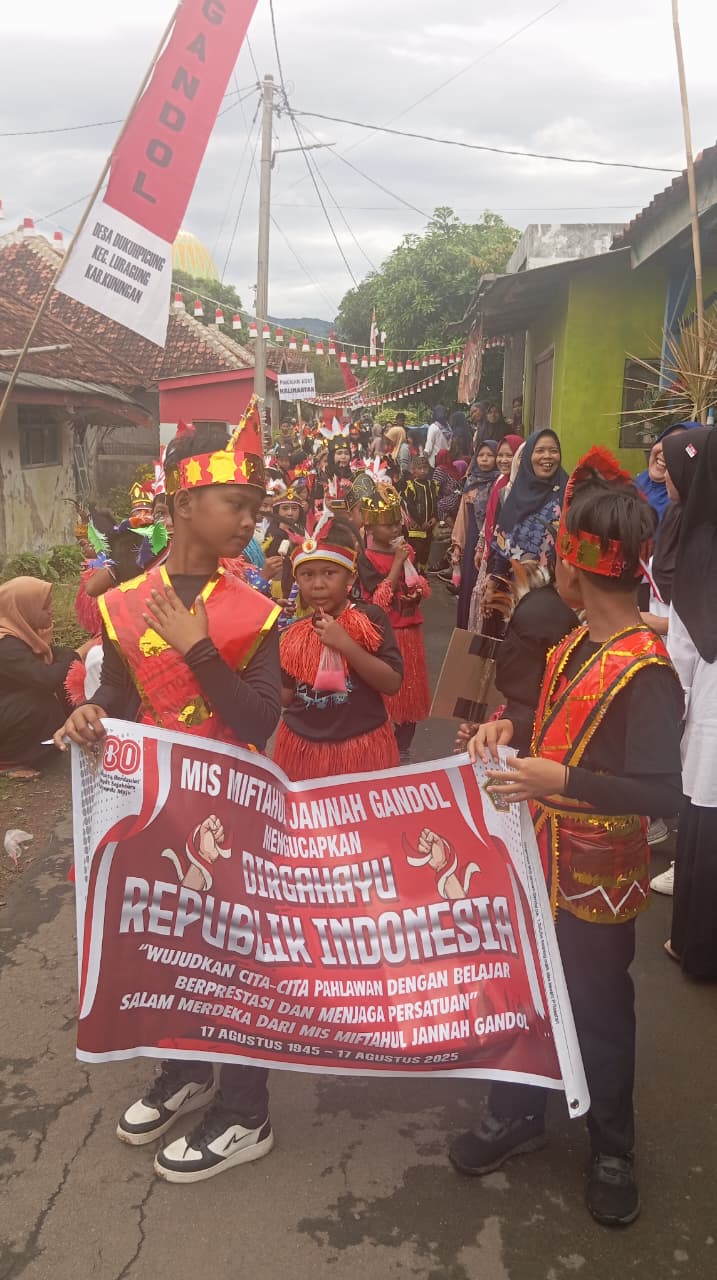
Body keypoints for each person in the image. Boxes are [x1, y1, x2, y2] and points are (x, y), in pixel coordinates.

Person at [452, 447, 684, 1228]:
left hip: (594, 876)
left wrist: (563, 779)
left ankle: (612, 1146)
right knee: (522, 990)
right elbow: (547, 720)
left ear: (572, 571)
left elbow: (664, 796)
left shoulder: (645, 672)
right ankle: (517, 1112)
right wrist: (506, 727)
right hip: (533, 856)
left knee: (596, 1009)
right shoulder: (571, 645)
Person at [54, 409, 283, 1185]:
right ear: (185, 503)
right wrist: (89, 715)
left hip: (228, 814)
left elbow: (260, 720)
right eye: (237, 504)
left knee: (234, 959)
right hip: (152, 808)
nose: (249, 521)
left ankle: (246, 1111)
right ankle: (185, 1070)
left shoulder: (254, 610)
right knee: (169, 948)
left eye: (254, 508)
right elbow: (118, 699)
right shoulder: (123, 603)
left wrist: (198, 647)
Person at [273, 514, 403, 782]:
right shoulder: (292, 634)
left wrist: (345, 644)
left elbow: (391, 683)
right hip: (302, 749)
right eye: (307, 575)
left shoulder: (370, 619)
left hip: (362, 748)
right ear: (297, 580)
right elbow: (285, 695)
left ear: (350, 577)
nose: (318, 584)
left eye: (329, 573)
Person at [664, 425, 717, 977]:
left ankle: (697, 949)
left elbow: (682, 656)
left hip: (710, 718)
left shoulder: (698, 549)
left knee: (706, 829)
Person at [359, 481, 431, 761]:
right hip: (385, 634)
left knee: (410, 692)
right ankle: (381, 745)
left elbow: (420, 586)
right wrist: (398, 563)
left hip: (410, 631)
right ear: (371, 528)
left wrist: (416, 590)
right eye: (388, 525)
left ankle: (403, 747)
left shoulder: (407, 551)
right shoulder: (366, 559)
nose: (395, 529)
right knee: (386, 691)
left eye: (397, 523)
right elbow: (378, 602)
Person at [481, 430, 568, 634]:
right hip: (516, 596)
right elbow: (503, 546)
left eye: (553, 451)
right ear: (528, 456)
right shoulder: (516, 495)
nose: (547, 456)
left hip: (557, 598)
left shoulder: (568, 494)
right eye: (540, 451)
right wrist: (492, 586)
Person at [0, 577, 89, 777]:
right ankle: (7, 761)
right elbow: (47, 678)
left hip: (7, 708)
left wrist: (67, 657)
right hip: (7, 713)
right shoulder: (5, 645)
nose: (51, 610)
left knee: (57, 687)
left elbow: (53, 659)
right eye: (44, 607)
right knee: (41, 702)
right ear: (23, 609)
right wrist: (72, 655)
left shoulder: (21, 636)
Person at [467, 436, 525, 634]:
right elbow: (489, 521)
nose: (503, 460)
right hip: (492, 553)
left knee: (500, 613)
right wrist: (481, 547)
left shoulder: (519, 488)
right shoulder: (501, 482)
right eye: (500, 455)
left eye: (510, 455)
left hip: (508, 562)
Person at [450, 441, 499, 628]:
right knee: (471, 585)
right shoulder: (470, 483)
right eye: (481, 455)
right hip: (472, 542)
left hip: (493, 543)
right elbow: (462, 517)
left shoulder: (501, 484)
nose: (485, 459)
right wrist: (457, 546)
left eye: (490, 455)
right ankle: (468, 630)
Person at [634, 423, 691, 524]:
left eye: (677, 449)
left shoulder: (681, 511)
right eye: (665, 442)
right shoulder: (641, 480)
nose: (665, 452)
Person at [399, 454, 438, 573]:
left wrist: (435, 517)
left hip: (429, 524)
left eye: (425, 468)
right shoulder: (412, 486)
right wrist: (421, 522)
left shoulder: (432, 485)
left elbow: (435, 502)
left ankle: (422, 571)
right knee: (417, 548)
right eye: (419, 468)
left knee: (426, 548)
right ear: (413, 470)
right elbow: (411, 507)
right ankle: (414, 571)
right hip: (416, 525)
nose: (423, 471)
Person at [433, 448, 463, 523]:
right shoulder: (454, 468)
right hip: (460, 496)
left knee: (439, 506)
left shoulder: (440, 469)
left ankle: (453, 528)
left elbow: (434, 487)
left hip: (452, 498)